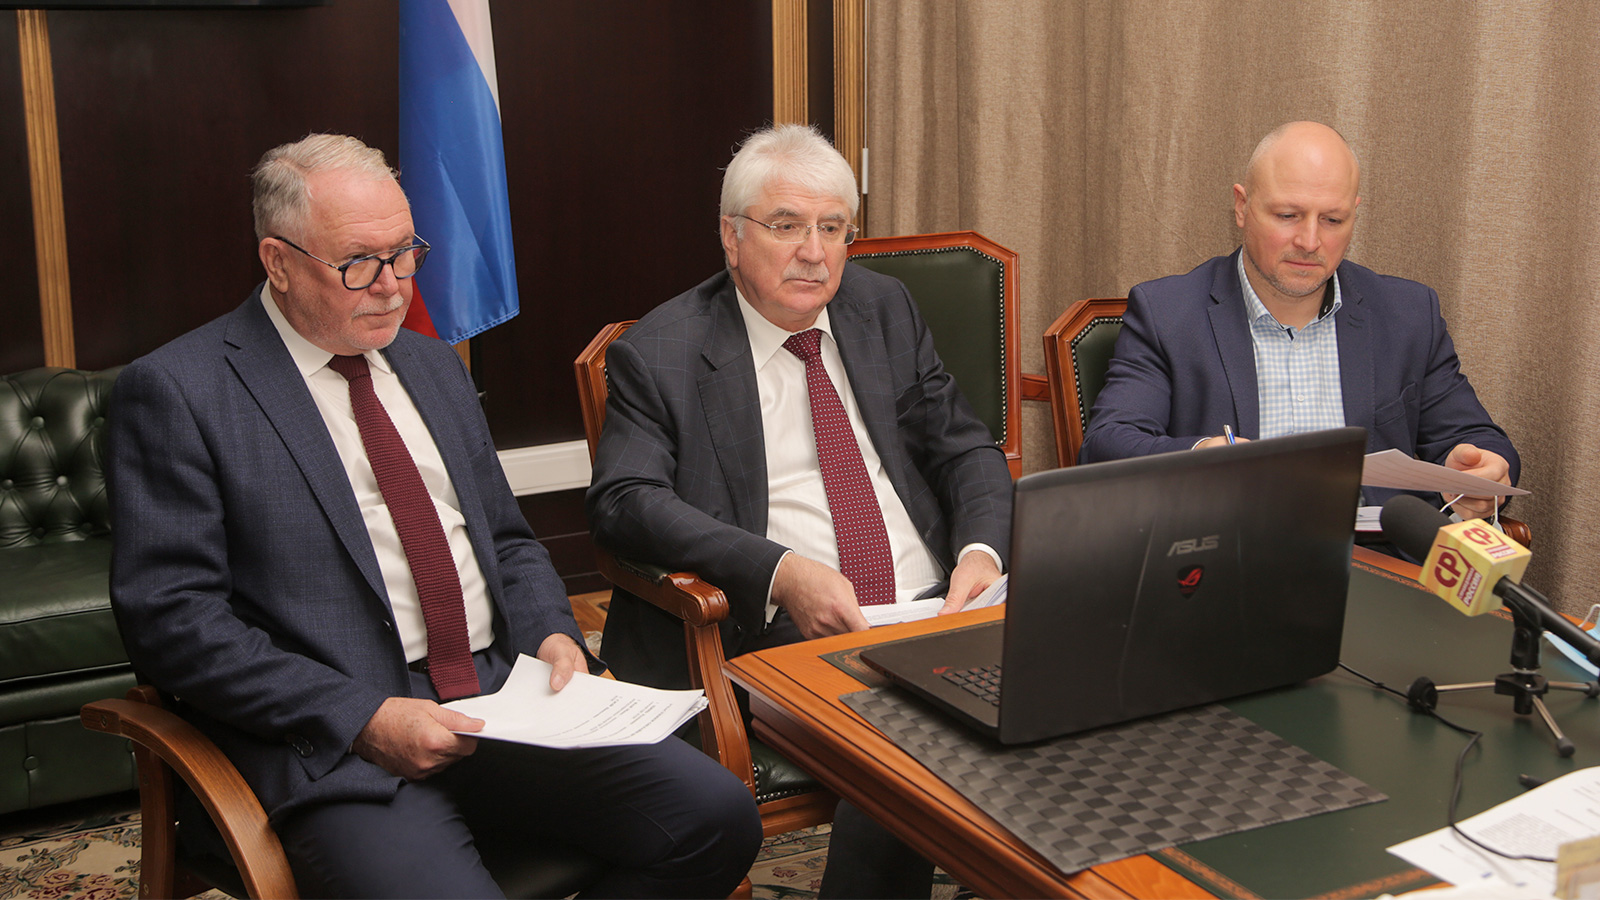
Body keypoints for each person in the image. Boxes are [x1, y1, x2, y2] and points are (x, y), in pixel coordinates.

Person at [107, 133, 761, 899]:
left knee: (717, 818)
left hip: (502, 702)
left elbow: (508, 542)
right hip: (339, 743)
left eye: (405, 253)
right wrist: (364, 717)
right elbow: (172, 620)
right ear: (278, 262)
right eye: (359, 263)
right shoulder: (181, 393)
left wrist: (550, 633)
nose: (392, 287)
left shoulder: (430, 365)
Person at [586, 124, 1014, 898]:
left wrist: (980, 556)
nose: (813, 253)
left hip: (935, 607)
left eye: (833, 228)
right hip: (778, 623)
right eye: (786, 226)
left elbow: (966, 448)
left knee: (1077, 692)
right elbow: (625, 502)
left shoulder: (883, 309)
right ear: (732, 236)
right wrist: (781, 573)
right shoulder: (664, 351)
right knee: (911, 745)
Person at [1080, 121, 1519, 519]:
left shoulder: (1407, 313)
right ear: (1241, 206)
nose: (1310, 241)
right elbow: (1107, 445)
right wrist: (1203, 455)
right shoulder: (1168, 313)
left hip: (1375, 562)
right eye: (1288, 216)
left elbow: (1479, 439)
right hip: (1230, 559)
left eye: (1333, 220)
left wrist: (1485, 469)